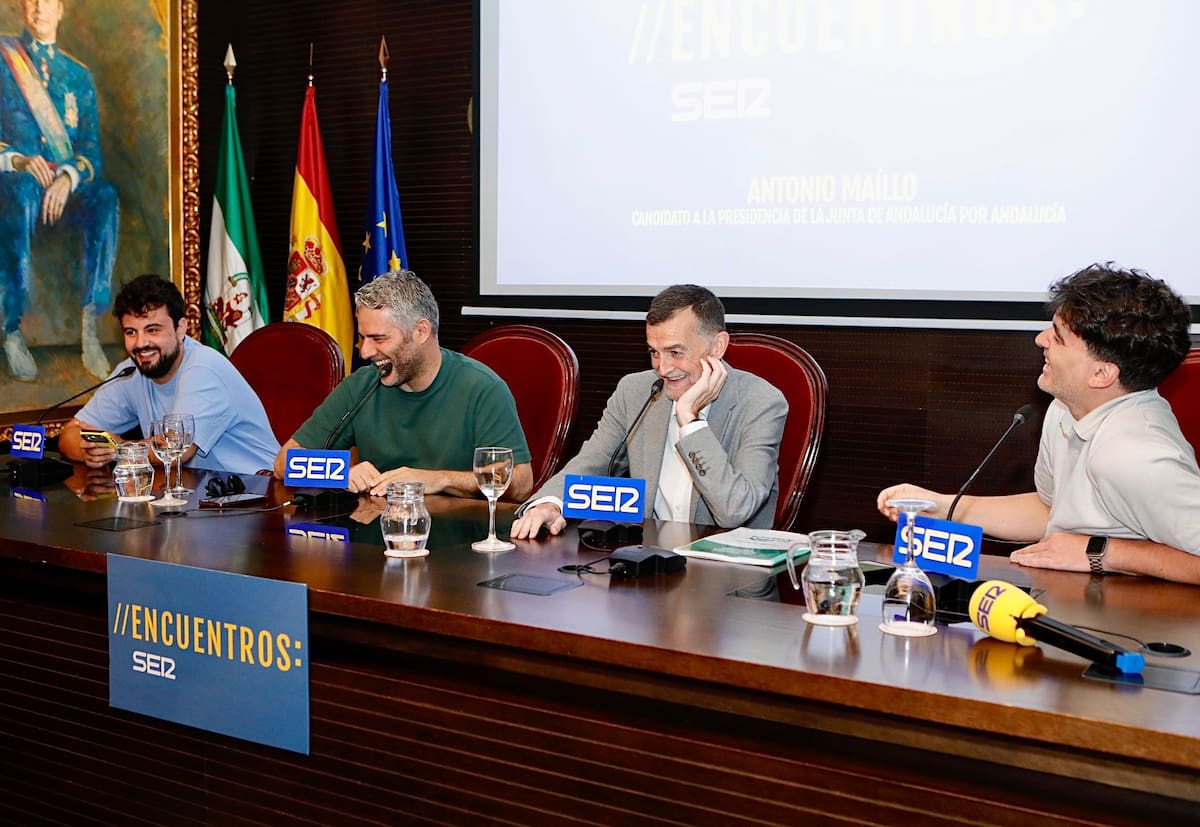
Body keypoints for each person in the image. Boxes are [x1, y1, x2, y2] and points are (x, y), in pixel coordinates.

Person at [878, 263, 1200, 583]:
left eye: (1058, 338)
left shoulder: (1139, 457)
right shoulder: (1065, 408)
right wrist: (941, 506)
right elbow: (1051, 509)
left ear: (1102, 374)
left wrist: (1101, 553)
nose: (1040, 339)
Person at [511, 284, 787, 538]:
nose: (663, 368)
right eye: (654, 352)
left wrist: (689, 420)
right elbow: (593, 461)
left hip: (727, 574)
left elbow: (734, 510)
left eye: (676, 353)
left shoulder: (761, 403)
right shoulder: (636, 390)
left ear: (717, 347)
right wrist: (549, 503)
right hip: (648, 560)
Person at [274, 269, 534, 499]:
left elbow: (521, 482)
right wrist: (342, 473)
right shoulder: (361, 385)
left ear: (421, 331)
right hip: (378, 536)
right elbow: (283, 463)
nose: (365, 352)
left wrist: (440, 479)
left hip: (462, 540)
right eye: (363, 338)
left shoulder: (482, 387)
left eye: (379, 338)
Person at [0, 0, 118, 382]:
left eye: (46, 0)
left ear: (61, 9)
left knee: (105, 197)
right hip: (18, 181)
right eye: (30, 0)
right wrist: (16, 159)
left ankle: (89, 326)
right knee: (18, 194)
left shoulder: (78, 76)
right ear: (21, 7)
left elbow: (91, 152)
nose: (38, 8)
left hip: (65, 188)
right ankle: (11, 327)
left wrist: (68, 177)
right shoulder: (3, 60)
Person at [60, 274, 279, 474]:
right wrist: (88, 451)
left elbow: (177, 450)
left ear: (181, 328)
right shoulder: (130, 372)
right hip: (197, 499)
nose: (141, 343)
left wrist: (117, 449)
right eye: (131, 332)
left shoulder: (203, 367)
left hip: (259, 496)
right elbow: (69, 434)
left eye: (153, 330)